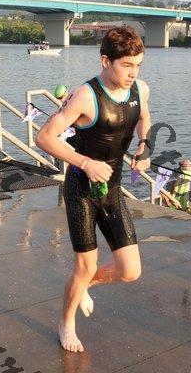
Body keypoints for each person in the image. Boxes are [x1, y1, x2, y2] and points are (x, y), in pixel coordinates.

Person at [36, 26, 151, 353]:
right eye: (126, 65)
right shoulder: (85, 96)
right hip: (82, 190)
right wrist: (86, 163)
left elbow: (144, 119)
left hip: (111, 190)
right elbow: (44, 137)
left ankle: (84, 286)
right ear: (105, 61)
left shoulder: (141, 89)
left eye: (138, 65)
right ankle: (66, 324)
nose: (133, 73)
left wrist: (145, 147)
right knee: (85, 266)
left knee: (130, 271)